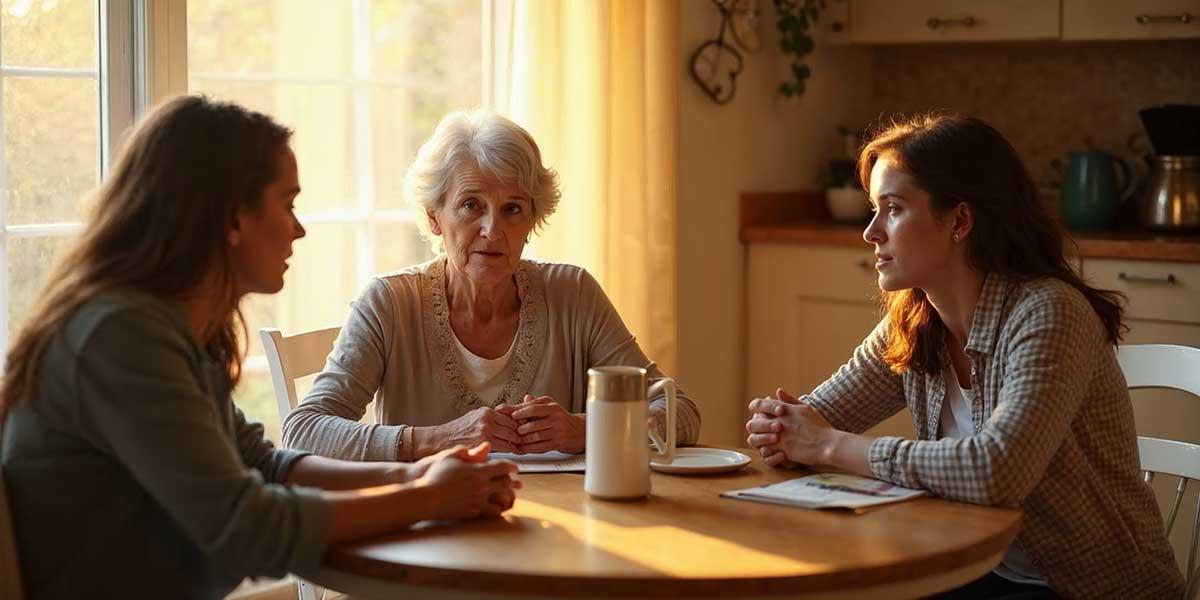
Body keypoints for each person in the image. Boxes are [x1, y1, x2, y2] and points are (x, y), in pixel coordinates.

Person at [0, 96, 519, 599]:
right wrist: (426, 497)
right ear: (230, 219)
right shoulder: (119, 338)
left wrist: (414, 473)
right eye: (288, 203)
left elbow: (264, 464)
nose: (298, 229)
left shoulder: (166, 329)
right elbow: (246, 528)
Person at [744, 114, 1184, 599]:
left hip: (1089, 589)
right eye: (874, 209)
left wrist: (825, 445)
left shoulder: (1048, 313)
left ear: (959, 220)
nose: (870, 232)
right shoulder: (915, 319)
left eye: (892, 208)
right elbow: (814, 417)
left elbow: (996, 470)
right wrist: (783, 427)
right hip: (982, 571)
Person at [282, 109, 700, 461]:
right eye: (470, 205)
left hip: (557, 535)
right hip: (428, 533)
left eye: (512, 209)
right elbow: (302, 431)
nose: (492, 229)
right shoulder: (389, 303)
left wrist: (582, 430)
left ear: (532, 222)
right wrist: (436, 439)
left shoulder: (573, 293)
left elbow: (680, 411)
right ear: (434, 217)